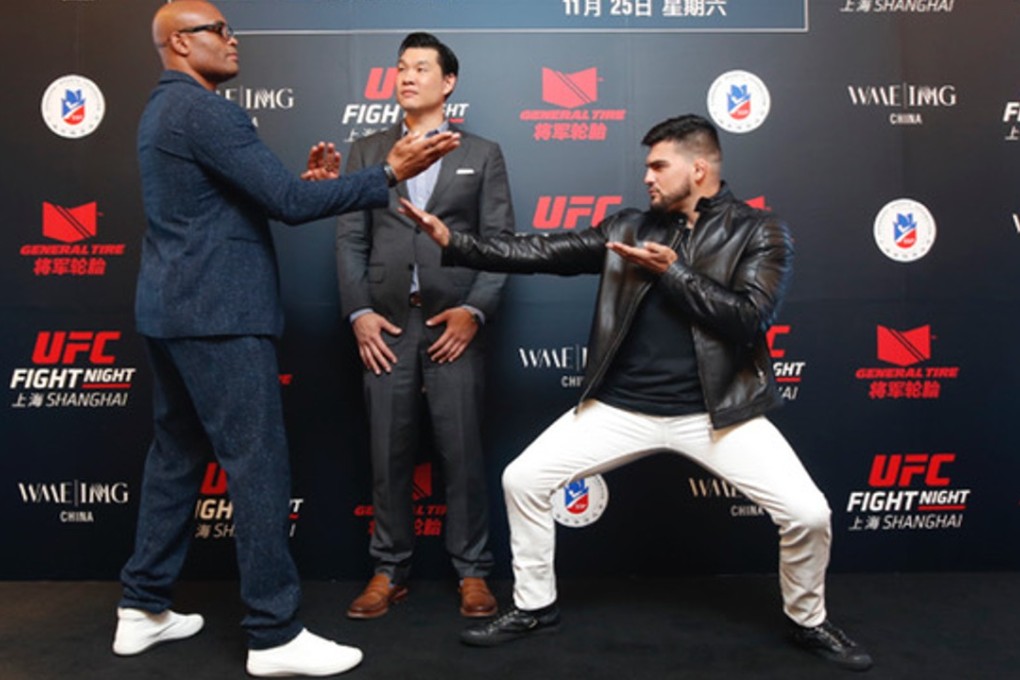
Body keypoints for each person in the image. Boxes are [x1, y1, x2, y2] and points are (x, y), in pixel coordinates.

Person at [400, 114, 874, 672]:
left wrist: (674, 273)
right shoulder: (628, 226)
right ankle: (534, 606)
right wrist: (456, 242)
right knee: (523, 478)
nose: (646, 177)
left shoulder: (760, 231)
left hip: (717, 413)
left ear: (698, 169)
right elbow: (542, 252)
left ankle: (807, 619)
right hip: (621, 407)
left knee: (808, 512)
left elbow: (747, 319)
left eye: (658, 165)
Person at [113, 2, 459, 677]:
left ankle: (142, 605)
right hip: (219, 316)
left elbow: (256, 200)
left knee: (177, 457)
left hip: (173, 310)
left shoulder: (164, 109)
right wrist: (387, 172)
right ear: (182, 43)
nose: (233, 39)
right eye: (219, 30)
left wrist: (305, 186)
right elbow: (289, 207)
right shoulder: (205, 109)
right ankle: (273, 634)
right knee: (258, 467)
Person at [336, 32, 514, 620]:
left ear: (448, 82)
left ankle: (473, 573)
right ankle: (388, 569)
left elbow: (498, 245)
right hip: (386, 326)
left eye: (420, 67)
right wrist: (359, 313)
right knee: (386, 452)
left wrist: (475, 310)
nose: (407, 76)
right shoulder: (365, 151)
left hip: (452, 325)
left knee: (461, 450)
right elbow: (350, 240)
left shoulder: (482, 153)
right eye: (400, 68)